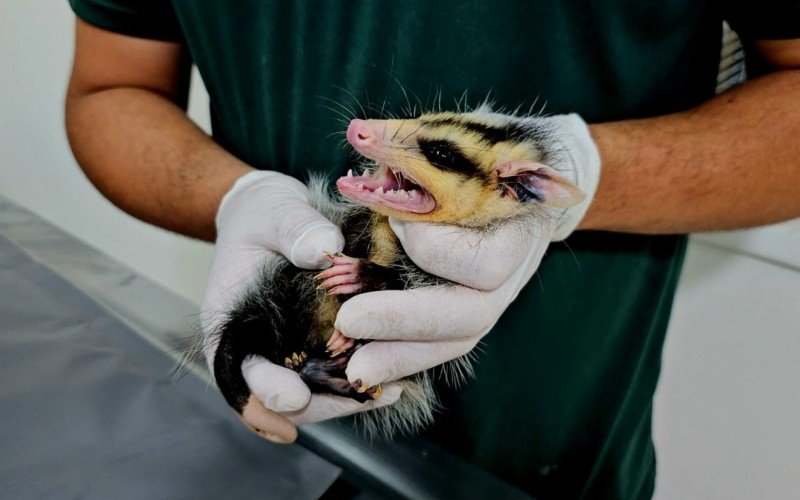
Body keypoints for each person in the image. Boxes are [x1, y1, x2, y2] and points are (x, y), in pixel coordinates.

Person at [64, 1, 800, 498]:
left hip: (555, 461)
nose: (363, 132)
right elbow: (111, 88)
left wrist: (588, 170)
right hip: (266, 458)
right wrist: (235, 198)